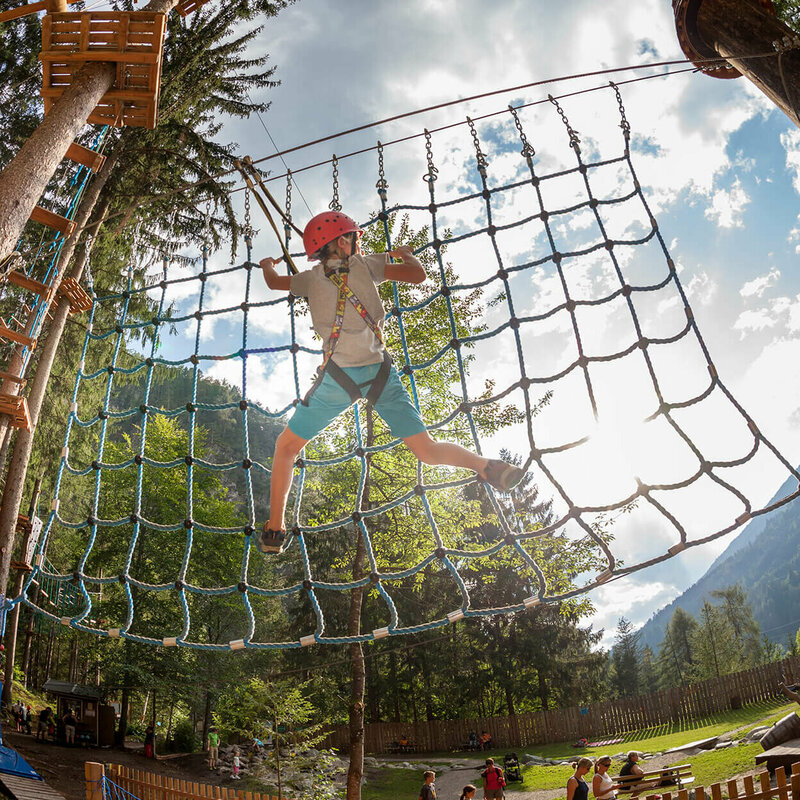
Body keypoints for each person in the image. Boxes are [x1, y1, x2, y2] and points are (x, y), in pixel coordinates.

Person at [257, 212, 527, 553]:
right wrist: (404, 253)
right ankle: (485, 466)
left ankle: (275, 530)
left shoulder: (309, 279)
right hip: (380, 373)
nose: (359, 243)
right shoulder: (366, 264)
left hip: (339, 377)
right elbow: (418, 274)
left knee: (286, 447)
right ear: (343, 242)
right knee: (427, 450)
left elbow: (272, 282)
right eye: (354, 238)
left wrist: (268, 264)